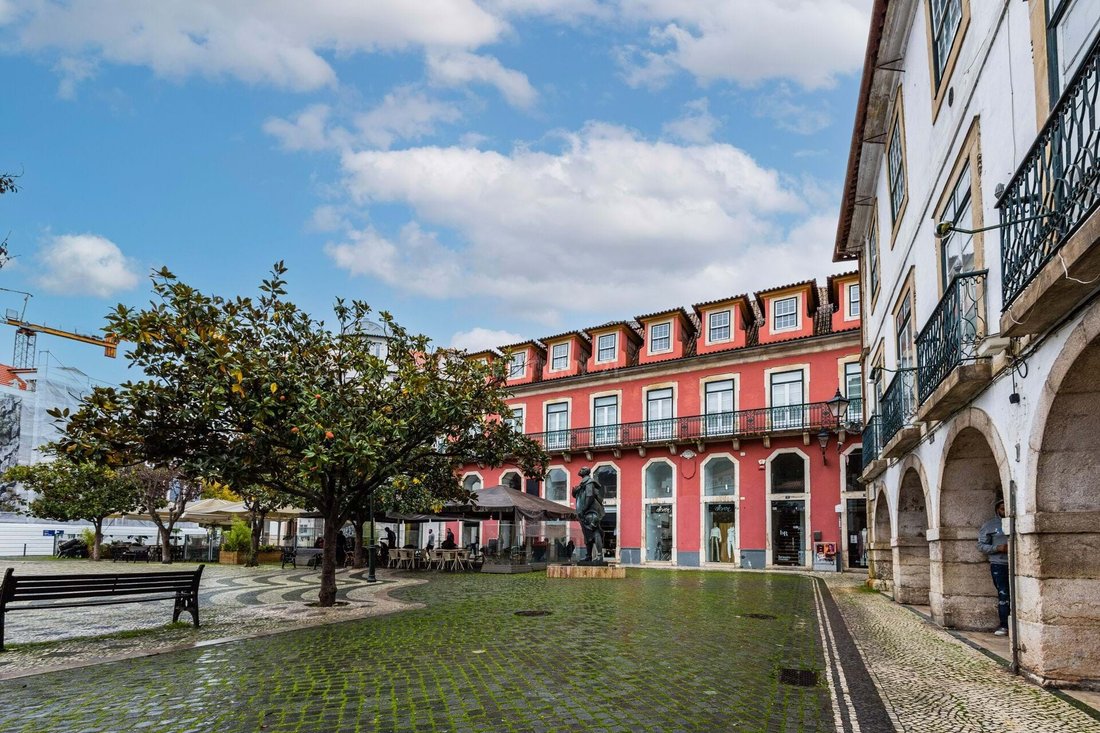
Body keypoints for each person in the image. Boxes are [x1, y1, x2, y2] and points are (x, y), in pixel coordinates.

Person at [978, 498, 1011, 636]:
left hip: (1016, 563)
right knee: (1003, 594)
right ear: (998, 509)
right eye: (1002, 509)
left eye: (1006, 508)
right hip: (999, 564)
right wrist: (997, 548)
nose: (1004, 511)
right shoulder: (990, 525)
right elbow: (981, 545)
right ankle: (1004, 624)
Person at [571, 467, 605, 562]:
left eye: (582, 469)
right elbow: (578, 495)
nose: (580, 470)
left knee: (595, 532)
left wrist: (584, 509)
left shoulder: (589, 482)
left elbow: (590, 496)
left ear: (585, 472)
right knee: (587, 535)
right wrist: (574, 492)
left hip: (590, 512)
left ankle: (599, 556)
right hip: (584, 513)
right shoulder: (583, 484)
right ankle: (589, 556)